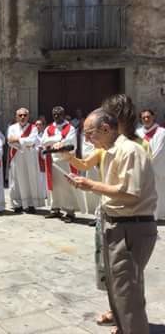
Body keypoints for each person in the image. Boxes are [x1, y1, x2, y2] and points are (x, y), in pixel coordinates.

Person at [68, 108, 157, 334]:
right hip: (115, 224)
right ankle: (123, 326)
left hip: (131, 226)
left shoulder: (130, 151)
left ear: (106, 129)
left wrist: (91, 186)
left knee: (128, 291)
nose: (87, 139)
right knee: (116, 286)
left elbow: (131, 193)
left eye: (89, 134)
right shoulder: (107, 150)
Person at [41, 106, 86, 223]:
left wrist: (55, 142)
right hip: (53, 161)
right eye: (54, 114)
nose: (56, 116)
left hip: (66, 161)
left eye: (59, 114)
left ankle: (70, 211)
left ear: (63, 114)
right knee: (54, 186)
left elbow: (70, 143)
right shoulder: (49, 128)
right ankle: (55, 208)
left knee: (67, 187)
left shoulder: (70, 128)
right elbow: (43, 142)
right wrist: (59, 138)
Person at [7, 108, 45, 213]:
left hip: (30, 157)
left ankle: (31, 204)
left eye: (24, 115)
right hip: (16, 156)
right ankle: (17, 204)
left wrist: (18, 139)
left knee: (30, 179)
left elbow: (32, 140)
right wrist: (24, 144)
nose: (22, 117)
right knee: (16, 180)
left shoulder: (33, 128)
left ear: (28, 116)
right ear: (16, 117)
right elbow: (10, 141)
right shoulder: (12, 127)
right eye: (20, 115)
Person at [136, 109, 165, 221]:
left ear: (153, 117)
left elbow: (159, 151)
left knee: (156, 192)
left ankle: (154, 217)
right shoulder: (137, 132)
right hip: (140, 168)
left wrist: (147, 164)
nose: (146, 119)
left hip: (155, 169)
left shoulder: (161, 132)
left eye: (148, 117)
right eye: (144, 117)